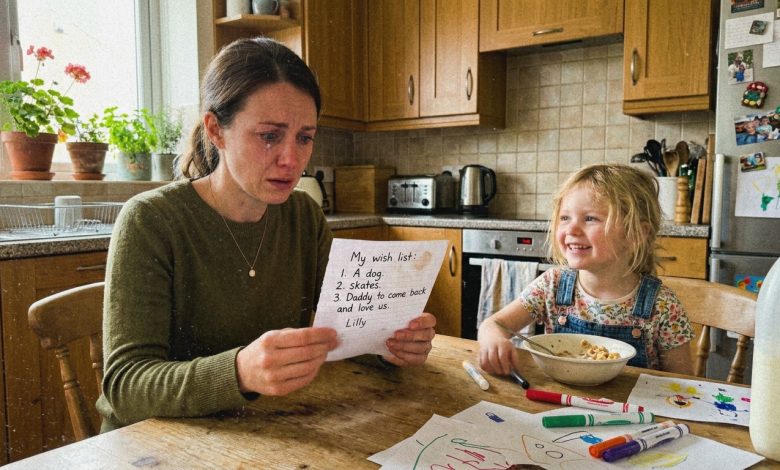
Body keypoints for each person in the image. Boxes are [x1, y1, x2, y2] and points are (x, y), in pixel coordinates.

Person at [98, 37, 437, 431]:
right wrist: (239, 372)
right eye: (269, 136)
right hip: (155, 445)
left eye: (304, 138)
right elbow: (125, 386)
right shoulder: (150, 221)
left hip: (262, 429)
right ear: (216, 130)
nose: (291, 160)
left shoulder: (303, 217)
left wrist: (388, 344)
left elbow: (344, 331)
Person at [477, 164, 694, 376]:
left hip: (632, 410)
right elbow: (493, 324)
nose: (571, 229)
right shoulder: (552, 285)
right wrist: (494, 339)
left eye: (590, 218)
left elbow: (683, 383)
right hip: (559, 402)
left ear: (636, 234)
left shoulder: (663, 305)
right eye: (565, 218)